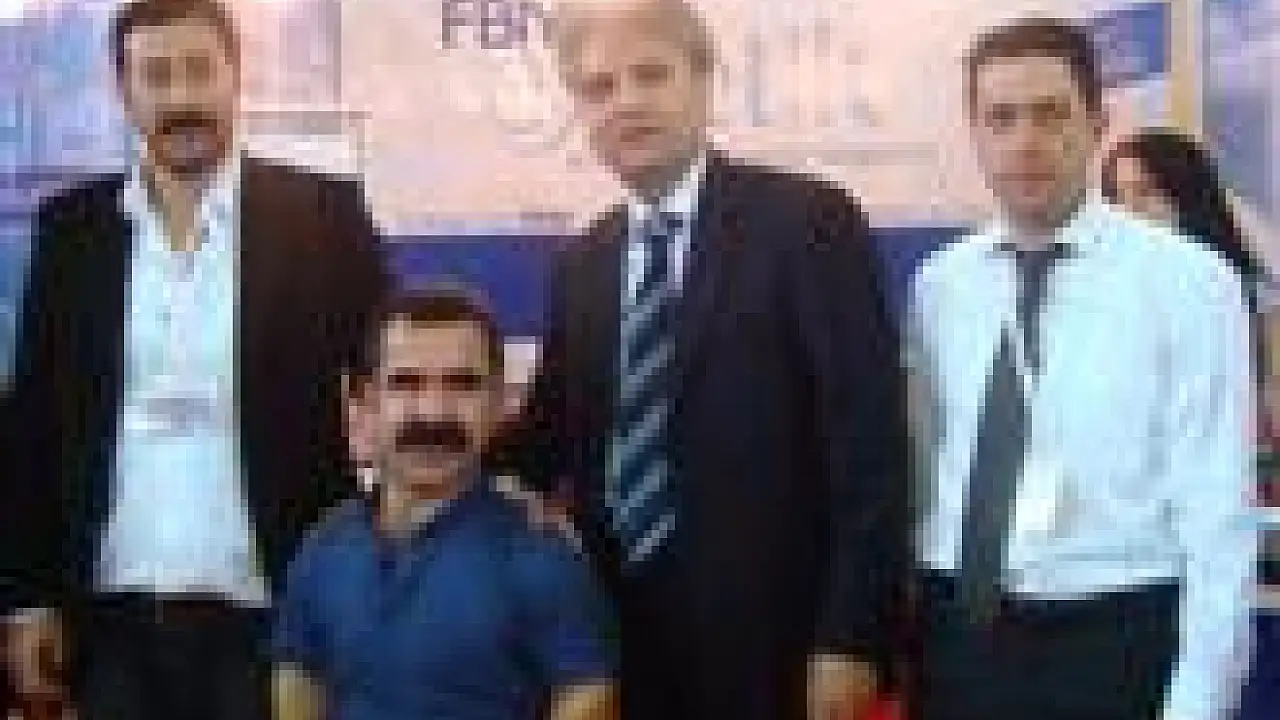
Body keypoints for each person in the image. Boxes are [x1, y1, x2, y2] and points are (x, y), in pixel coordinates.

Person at [505, 1, 912, 718]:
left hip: (780, 645)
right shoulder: (581, 263)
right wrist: (427, 446)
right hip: (621, 642)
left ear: (703, 79)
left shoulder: (807, 222)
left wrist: (851, 636)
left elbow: (870, 448)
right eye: (600, 88)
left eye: (650, 75)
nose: (626, 102)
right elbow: (549, 434)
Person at [0, 1, 388, 717]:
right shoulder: (72, 232)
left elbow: (397, 382)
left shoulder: (322, 218)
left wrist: (495, 483)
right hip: (110, 620)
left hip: (280, 614)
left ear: (236, 76)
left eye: (199, 70)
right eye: (156, 75)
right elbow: (30, 428)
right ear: (124, 91)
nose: (181, 96)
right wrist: (24, 599)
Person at [907, 17, 1256, 720]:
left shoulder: (1190, 283)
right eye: (1001, 118)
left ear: (1098, 124)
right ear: (973, 134)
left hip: (1117, 634)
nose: (1026, 141)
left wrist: (1201, 698)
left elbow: (1217, 508)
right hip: (962, 636)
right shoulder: (940, 285)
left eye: (1051, 114)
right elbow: (923, 467)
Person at [271, 287, 617, 720]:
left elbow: (589, 697)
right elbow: (298, 685)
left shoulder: (542, 557)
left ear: (499, 402)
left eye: (463, 384)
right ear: (363, 402)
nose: (433, 412)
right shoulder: (323, 548)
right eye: (405, 382)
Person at [1103, 127, 1280, 430]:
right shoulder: (1097, 293)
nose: (1129, 213)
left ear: (1186, 197)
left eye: (1145, 192)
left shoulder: (1242, 292)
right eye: (1117, 200)